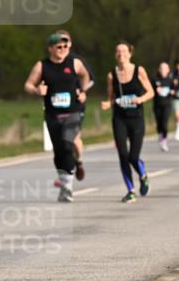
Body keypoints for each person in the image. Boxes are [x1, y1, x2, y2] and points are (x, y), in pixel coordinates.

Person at [24, 33, 92, 202]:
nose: (62, 50)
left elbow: (85, 76)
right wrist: (37, 91)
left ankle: (68, 187)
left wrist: (83, 91)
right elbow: (28, 84)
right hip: (53, 114)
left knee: (68, 145)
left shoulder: (74, 63)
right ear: (50, 48)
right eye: (58, 47)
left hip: (73, 112)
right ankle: (64, 183)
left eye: (65, 47)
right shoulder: (42, 66)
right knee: (59, 150)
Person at [100, 41, 155, 202]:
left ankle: (143, 175)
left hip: (136, 119)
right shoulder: (112, 75)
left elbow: (151, 92)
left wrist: (140, 99)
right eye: (118, 51)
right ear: (115, 55)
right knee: (123, 155)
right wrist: (107, 104)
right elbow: (112, 98)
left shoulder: (139, 71)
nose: (121, 53)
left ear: (130, 54)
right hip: (119, 119)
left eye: (124, 51)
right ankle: (130, 191)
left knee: (133, 156)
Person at [54, 29, 94, 180]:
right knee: (61, 142)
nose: (61, 46)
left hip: (75, 105)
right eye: (58, 41)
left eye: (65, 41)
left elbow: (90, 79)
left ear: (69, 43)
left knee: (74, 138)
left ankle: (78, 161)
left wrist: (83, 91)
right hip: (56, 109)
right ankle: (65, 173)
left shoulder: (76, 61)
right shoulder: (50, 62)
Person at [152, 61, 174, 151]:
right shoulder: (155, 80)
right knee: (159, 123)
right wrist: (155, 90)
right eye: (161, 68)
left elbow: (175, 89)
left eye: (165, 68)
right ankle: (160, 134)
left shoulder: (170, 80)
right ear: (159, 69)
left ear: (168, 70)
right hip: (157, 104)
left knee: (164, 123)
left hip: (167, 105)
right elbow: (149, 90)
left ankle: (164, 140)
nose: (163, 70)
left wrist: (173, 92)